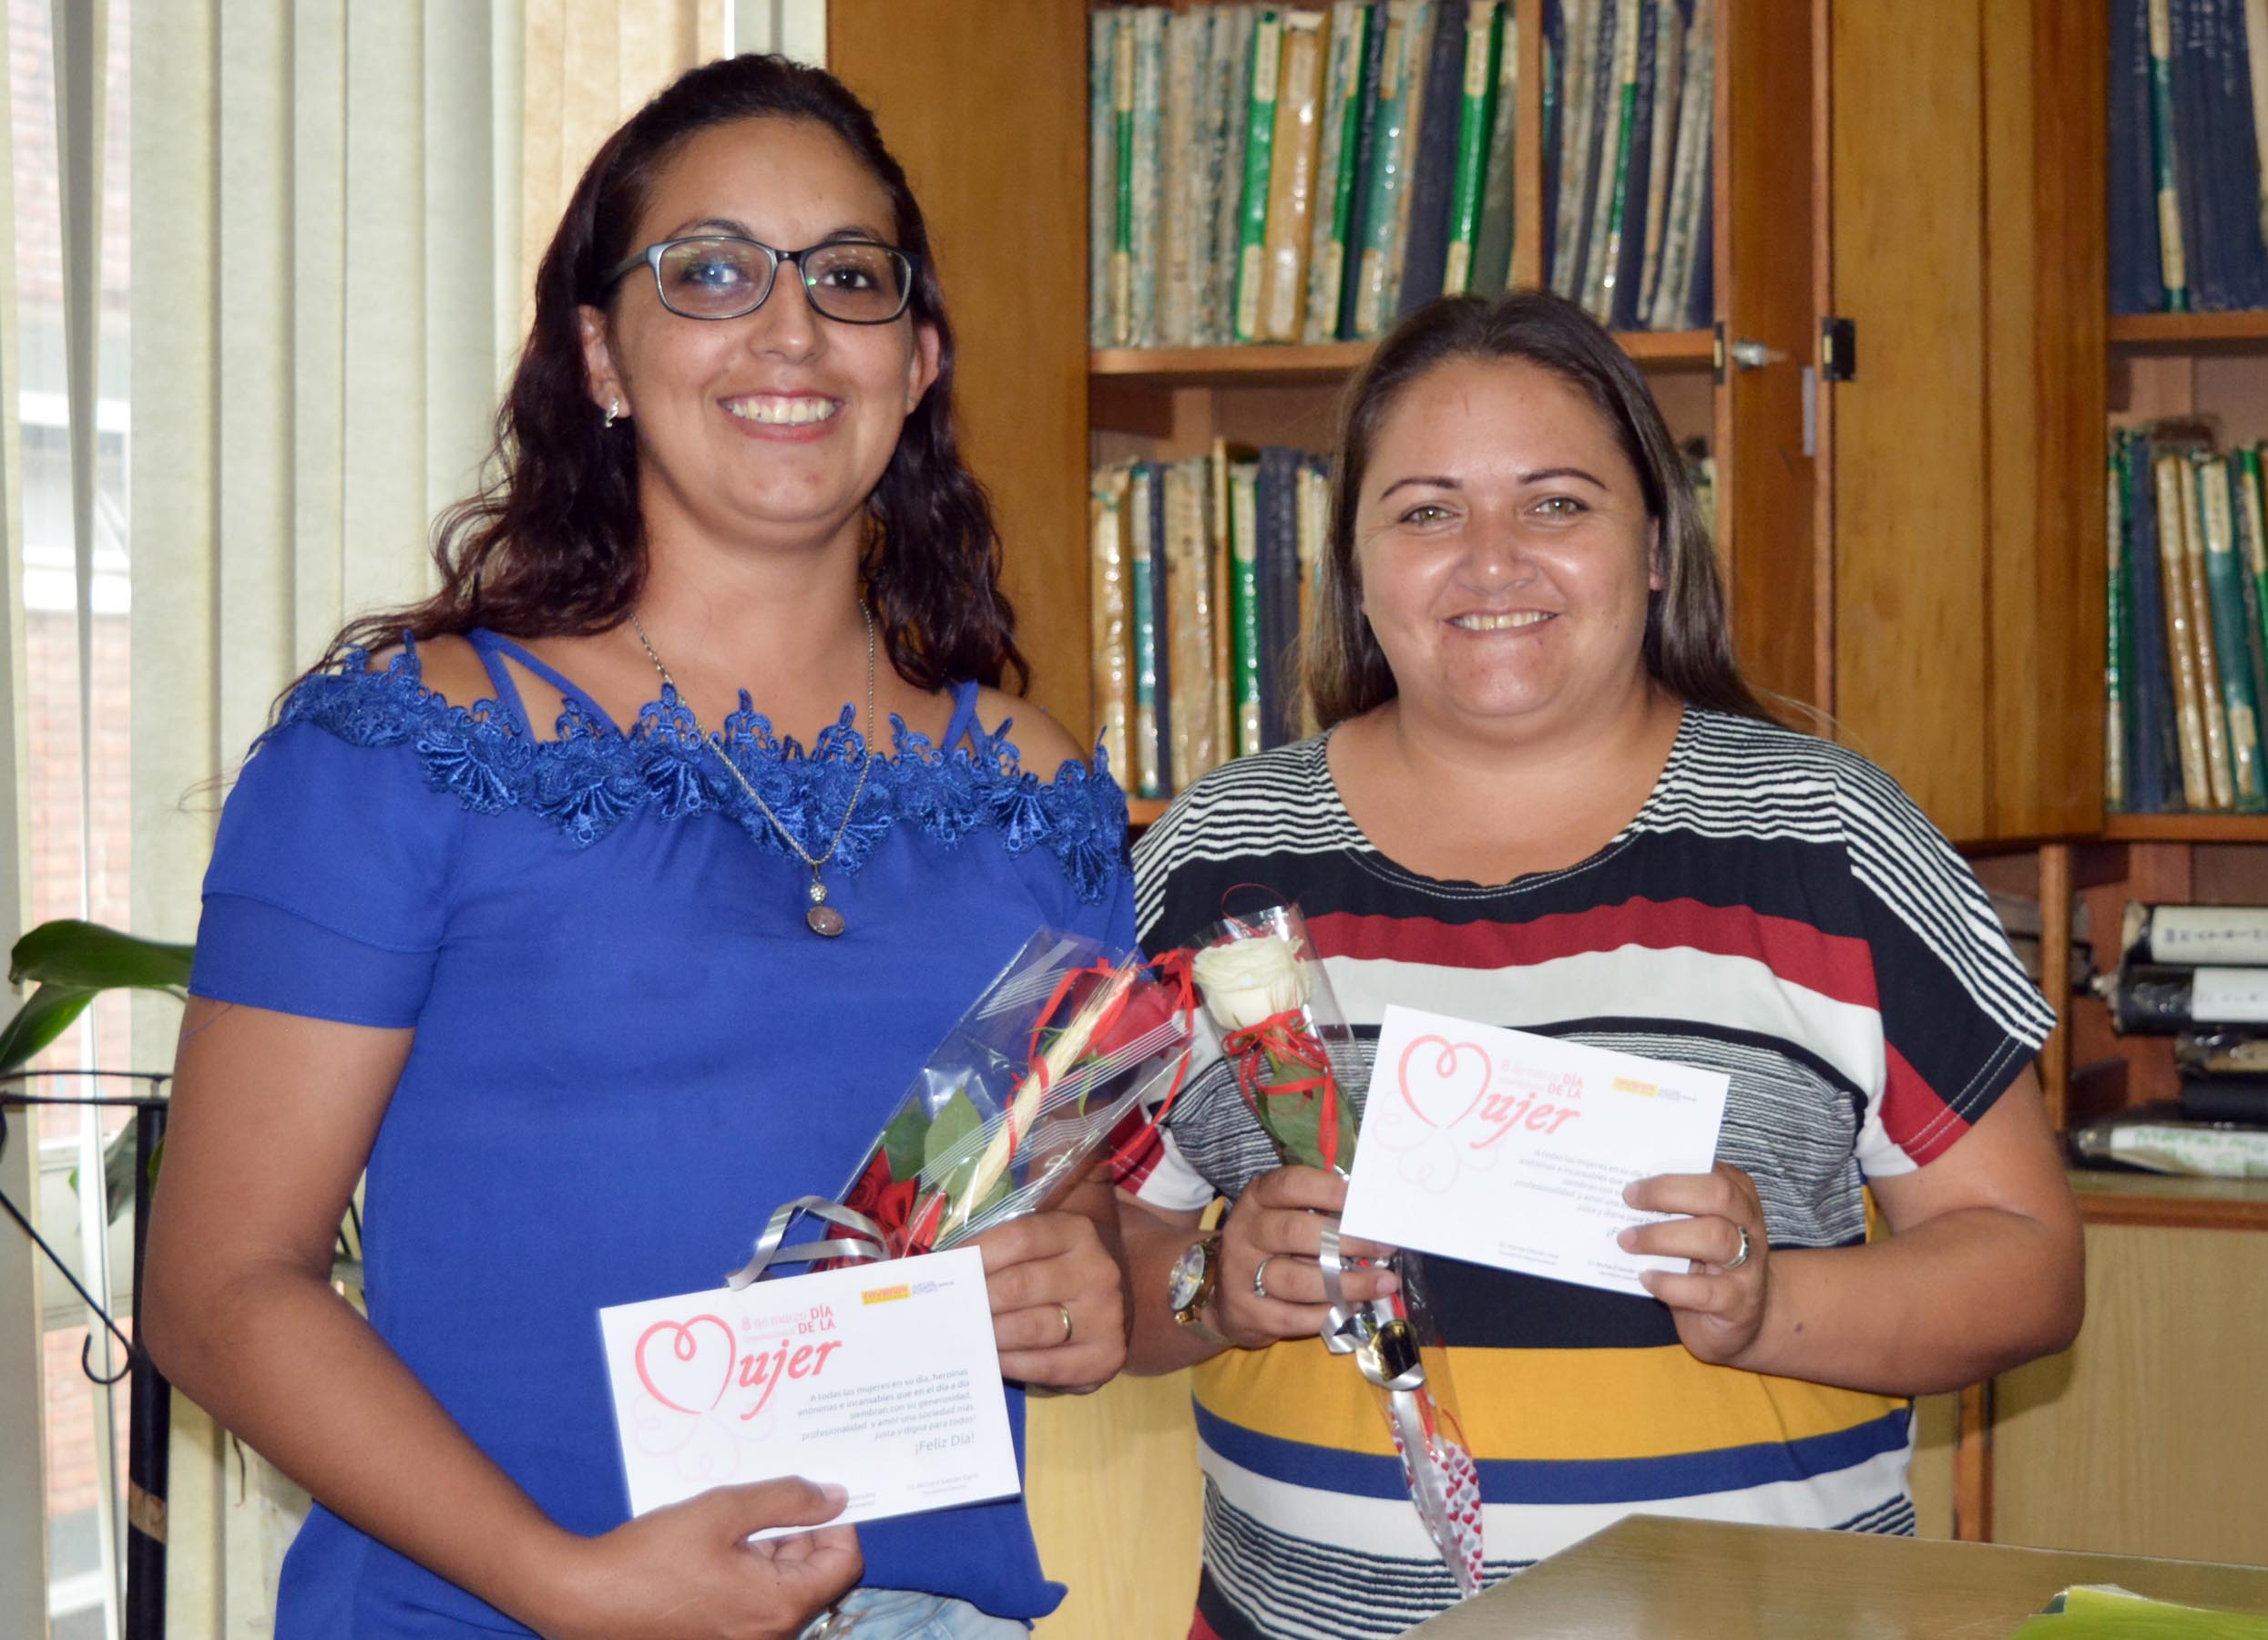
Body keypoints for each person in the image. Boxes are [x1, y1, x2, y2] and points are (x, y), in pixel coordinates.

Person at [143, 54, 1133, 1640]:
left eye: (849, 278)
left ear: (919, 358)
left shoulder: (1040, 789)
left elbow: (1066, 1227)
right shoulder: (399, 746)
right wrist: (570, 1585)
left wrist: (1089, 1287)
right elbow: (216, 1289)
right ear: (602, 353)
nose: (791, 328)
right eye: (713, 272)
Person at [1115, 290, 2085, 1640]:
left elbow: (2029, 1268)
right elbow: (1096, 1267)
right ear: (1355, 566)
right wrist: (1212, 1286)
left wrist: (1767, 1304)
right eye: (1427, 512)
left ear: (1657, 546)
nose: (1491, 561)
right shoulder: (1215, 856)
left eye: (1557, 503)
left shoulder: (1826, 837)